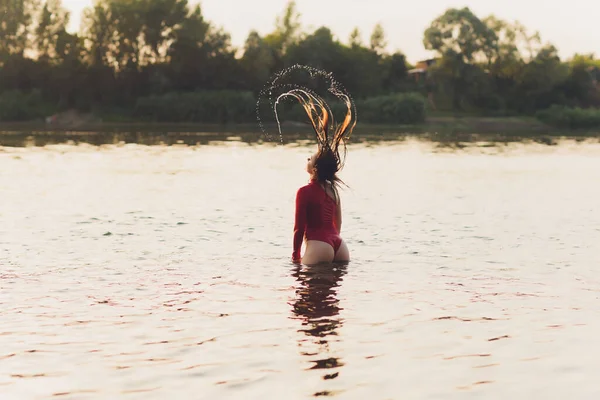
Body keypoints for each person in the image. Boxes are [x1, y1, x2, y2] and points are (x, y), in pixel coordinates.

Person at [288, 89, 356, 265]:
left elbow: (299, 228)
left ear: (315, 169)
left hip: (319, 245)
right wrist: (332, 244)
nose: (307, 159)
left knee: (304, 289)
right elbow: (338, 222)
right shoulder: (332, 189)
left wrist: (295, 255)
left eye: (311, 158)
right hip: (340, 246)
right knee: (331, 292)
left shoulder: (304, 191)